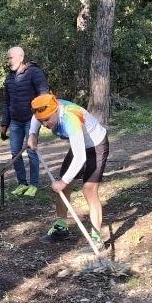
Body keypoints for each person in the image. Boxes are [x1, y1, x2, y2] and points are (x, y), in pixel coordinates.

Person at [27, 94, 109, 244]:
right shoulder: (46, 108)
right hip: (80, 145)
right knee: (63, 188)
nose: (45, 124)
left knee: (89, 190)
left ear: (56, 110)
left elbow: (80, 157)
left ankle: (97, 238)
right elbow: (36, 117)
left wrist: (64, 181)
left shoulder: (70, 119)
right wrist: (32, 134)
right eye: (42, 121)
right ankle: (61, 228)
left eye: (47, 120)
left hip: (96, 146)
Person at [0, 46, 50, 197]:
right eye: (8, 58)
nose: (8, 61)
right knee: (15, 152)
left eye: (11, 58)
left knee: (31, 150)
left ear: (21, 58)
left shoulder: (34, 72)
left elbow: (44, 94)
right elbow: (7, 103)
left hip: (31, 120)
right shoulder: (9, 77)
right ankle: (22, 183)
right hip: (15, 121)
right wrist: (4, 125)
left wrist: (41, 116)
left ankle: (33, 185)